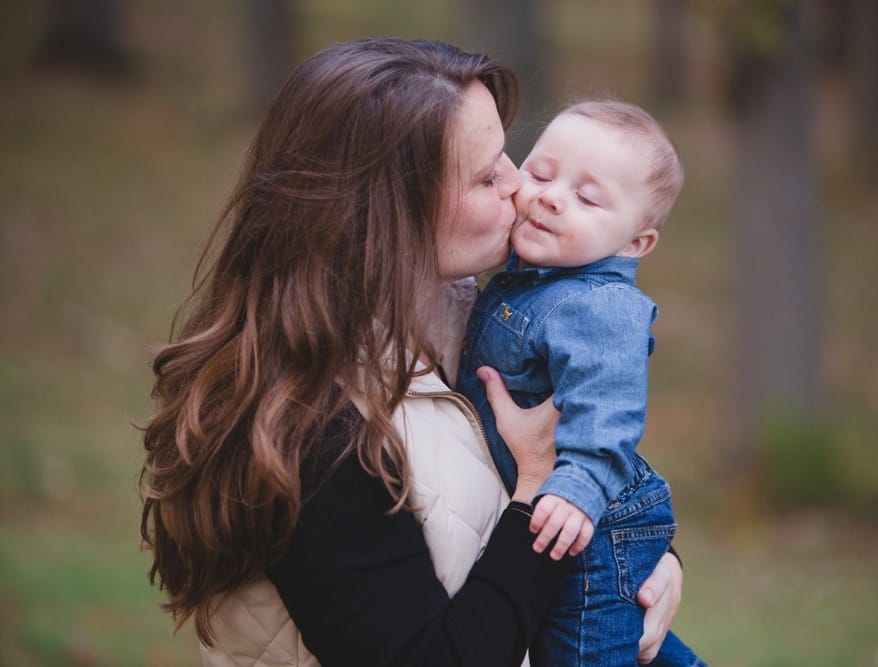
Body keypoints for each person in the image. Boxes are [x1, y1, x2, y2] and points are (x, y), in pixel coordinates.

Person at [139, 38, 684, 667]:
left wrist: (649, 562)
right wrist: (537, 487)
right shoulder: (311, 431)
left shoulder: (463, 322)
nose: (519, 184)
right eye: (486, 175)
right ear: (389, 213)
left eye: (510, 152)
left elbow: (582, 445)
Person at [456, 100, 706, 666]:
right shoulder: (528, 279)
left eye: (587, 198)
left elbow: (608, 410)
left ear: (634, 244)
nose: (549, 196)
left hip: (588, 526)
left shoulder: (602, 306)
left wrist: (579, 491)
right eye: (541, 173)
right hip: (561, 519)